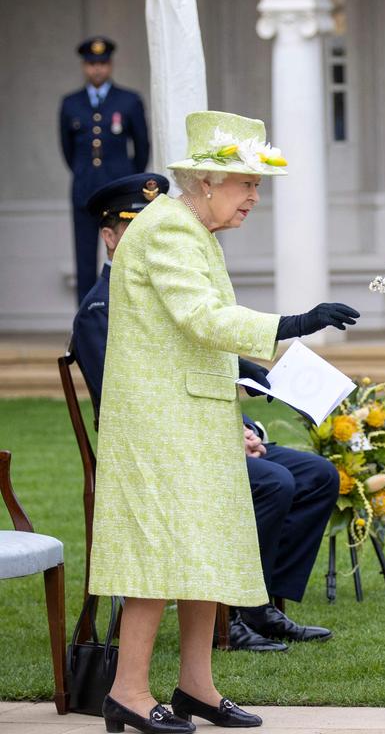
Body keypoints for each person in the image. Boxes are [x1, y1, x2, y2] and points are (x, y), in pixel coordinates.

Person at [88, 110, 360, 734]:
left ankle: (196, 687)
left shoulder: (190, 228)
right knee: (156, 557)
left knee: (201, 552)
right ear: (207, 182)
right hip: (160, 423)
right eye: (246, 185)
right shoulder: (168, 230)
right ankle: (127, 692)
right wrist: (294, 323)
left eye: (257, 186)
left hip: (189, 415)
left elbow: (190, 331)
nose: (255, 198)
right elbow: (201, 318)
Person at [72, 173, 338, 656]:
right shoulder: (101, 307)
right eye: (132, 224)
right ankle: (232, 617)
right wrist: (293, 324)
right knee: (274, 484)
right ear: (109, 237)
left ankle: (257, 606)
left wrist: (251, 414)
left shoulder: (194, 243)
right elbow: (129, 386)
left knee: (317, 474)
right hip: (162, 440)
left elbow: (199, 345)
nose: (254, 198)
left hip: (204, 425)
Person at [59, 36, 149, 305]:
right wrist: (85, 174)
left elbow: (142, 147)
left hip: (120, 192)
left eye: (102, 63)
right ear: (84, 66)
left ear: (110, 65)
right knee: (85, 260)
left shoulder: (129, 101)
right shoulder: (70, 103)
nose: (97, 69)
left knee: (126, 254)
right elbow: (67, 150)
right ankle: (85, 324)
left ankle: (126, 315)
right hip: (84, 191)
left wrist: (129, 181)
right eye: (91, 64)